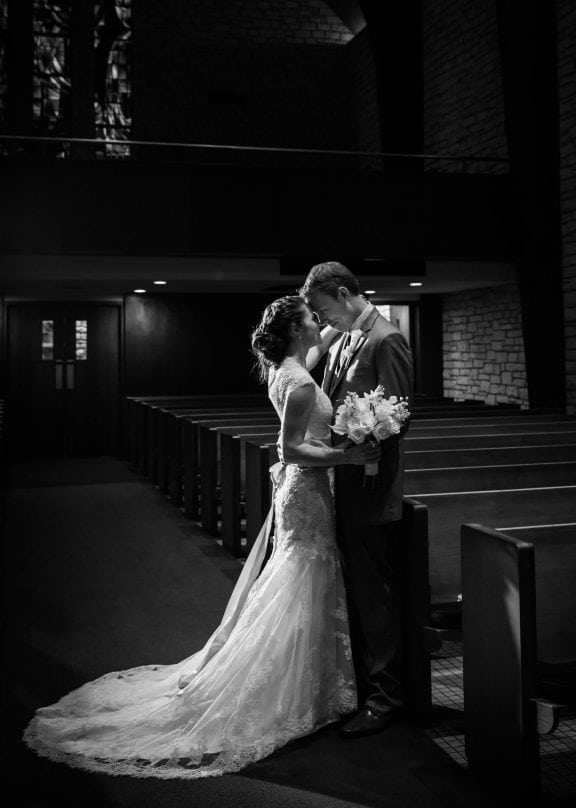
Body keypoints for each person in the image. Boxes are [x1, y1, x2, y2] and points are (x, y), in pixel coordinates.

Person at [22, 294, 380, 779]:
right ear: (297, 331)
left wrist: (353, 318)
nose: (320, 322)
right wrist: (347, 458)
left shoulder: (290, 367)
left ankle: (310, 679)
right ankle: (289, 685)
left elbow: (322, 345)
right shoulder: (296, 384)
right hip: (306, 488)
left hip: (303, 493)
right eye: (313, 318)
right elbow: (291, 450)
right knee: (303, 573)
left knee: (300, 572)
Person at [300, 262, 414, 739]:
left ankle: (387, 698)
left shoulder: (386, 338)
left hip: (371, 490)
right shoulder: (346, 336)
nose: (327, 321)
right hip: (345, 484)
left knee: (374, 596)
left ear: (346, 294)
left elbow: (401, 414)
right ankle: (363, 683)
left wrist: (362, 438)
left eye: (327, 310)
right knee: (357, 593)